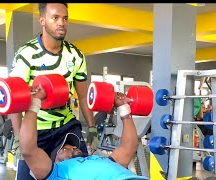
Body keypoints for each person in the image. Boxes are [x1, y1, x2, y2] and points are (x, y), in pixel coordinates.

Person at [8, 3, 97, 179]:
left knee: (82, 174)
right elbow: (15, 100)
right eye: (55, 18)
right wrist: (19, 137)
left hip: (66, 126)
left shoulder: (76, 55)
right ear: (42, 20)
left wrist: (92, 128)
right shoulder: (26, 55)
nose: (61, 23)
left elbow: (82, 96)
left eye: (65, 18)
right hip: (36, 130)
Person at [18, 87, 149, 180]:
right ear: (54, 160)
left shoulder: (102, 160)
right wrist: (34, 104)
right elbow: (28, 150)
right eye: (65, 147)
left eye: (73, 146)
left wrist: (123, 108)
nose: (74, 147)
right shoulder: (55, 172)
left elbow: (129, 146)